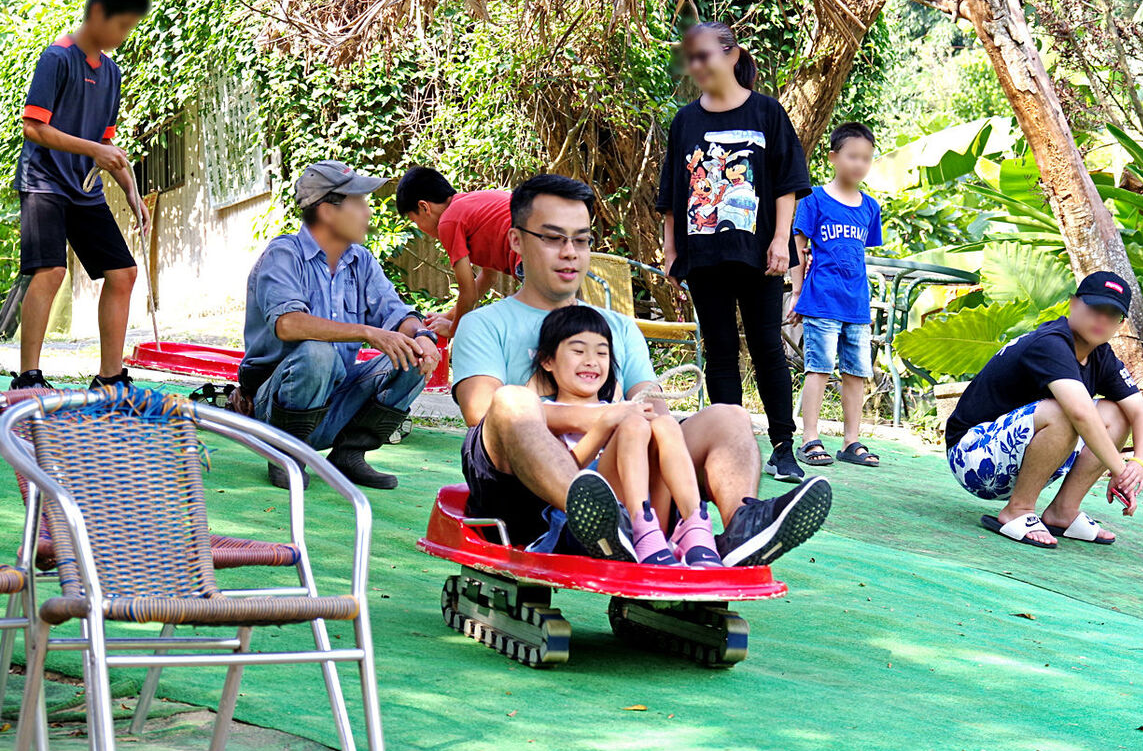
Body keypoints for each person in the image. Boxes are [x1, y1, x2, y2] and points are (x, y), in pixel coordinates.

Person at [453, 172, 831, 566]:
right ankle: (588, 516)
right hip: (525, 496)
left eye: (580, 240)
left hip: (622, 484)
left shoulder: (616, 327)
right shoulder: (485, 324)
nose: (570, 252)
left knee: (729, 417)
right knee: (512, 400)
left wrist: (636, 420)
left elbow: (652, 405)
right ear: (517, 240)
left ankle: (741, 528)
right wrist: (600, 416)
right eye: (552, 238)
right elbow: (484, 413)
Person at [656, 21, 811, 484]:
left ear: (731, 54)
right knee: (720, 352)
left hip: (761, 255)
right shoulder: (686, 120)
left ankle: (783, 448)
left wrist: (781, 240)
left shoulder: (766, 113)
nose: (697, 65)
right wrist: (669, 247)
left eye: (704, 55)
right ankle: (729, 448)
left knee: (767, 349)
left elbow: (787, 184)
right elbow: (673, 191)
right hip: (703, 254)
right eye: (691, 58)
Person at [240, 161, 440, 490]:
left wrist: (421, 336)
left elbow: (397, 312)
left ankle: (349, 454)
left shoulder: (360, 260)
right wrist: (366, 332)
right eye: (359, 202)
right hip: (273, 407)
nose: (368, 213)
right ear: (327, 212)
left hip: (337, 396)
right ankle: (285, 454)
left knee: (414, 356)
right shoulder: (282, 255)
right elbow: (288, 325)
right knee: (318, 352)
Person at [10, 0, 152, 391]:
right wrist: (93, 151)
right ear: (97, 14)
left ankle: (110, 379)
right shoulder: (57, 57)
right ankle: (28, 378)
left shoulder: (112, 73)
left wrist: (132, 192)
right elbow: (33, 127)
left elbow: (106, 145)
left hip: (83, 189)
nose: (124, 36)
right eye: (121, 25)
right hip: (44, 183)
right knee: (50, 271)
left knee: (123, 273)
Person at [944, 272, 1143, 548]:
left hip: (1016, 456)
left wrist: (1139, 464)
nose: (1102, 320)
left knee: (1116, 413)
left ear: (1120, 323)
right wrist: (1120, 471)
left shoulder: (1101, 354)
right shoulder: (1051, 342)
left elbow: (1140, 411)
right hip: (972, 458)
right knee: (1064, 410)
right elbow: (1079, 412)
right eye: (1095, 308)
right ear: (1074, 304)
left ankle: (1062, 512)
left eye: (1112, 314)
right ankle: (1017, 510)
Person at [529, 306, 722, 567]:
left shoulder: (623, 407)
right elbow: (564, 478)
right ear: (547, 360)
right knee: (634, 426)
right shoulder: (545, 412)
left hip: (654, 516)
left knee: (664, 424)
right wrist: (605, 424)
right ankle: (642, 529)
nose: (591, 360)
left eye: (601, 352)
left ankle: (695, 527)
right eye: (578, 351)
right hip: (588, 519)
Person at [789, 122, 884, 470]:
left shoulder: (870, 207)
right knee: (819, 367)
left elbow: (861, 254)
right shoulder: (813, 199)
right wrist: (798, 292)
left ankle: (851, 440)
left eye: (867, 158)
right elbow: (798, 247)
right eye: (852, 156)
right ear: (833, 157)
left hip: (856, 304)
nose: (859, 164)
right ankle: (809, 437)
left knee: (857, 371)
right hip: (821, 299)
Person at [395, 166, 518, 340]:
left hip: (533, 257)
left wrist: (453, 330)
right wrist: (449, 316)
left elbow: (468, 292)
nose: (420, 229)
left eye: (416, 222)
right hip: (556, 246)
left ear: (424, 207)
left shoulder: (448, 221)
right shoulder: (470, 204)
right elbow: (489, 277)